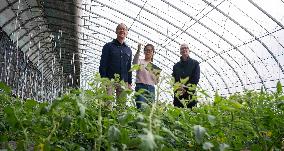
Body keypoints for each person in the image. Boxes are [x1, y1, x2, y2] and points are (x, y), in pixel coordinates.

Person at [99, 23, 132, 100]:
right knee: (107, 103)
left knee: (121, 106)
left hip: (123, 82)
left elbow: (129, 67)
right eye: (120, 29)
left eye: (124, 29)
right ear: (116, 31)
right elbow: (103, 64)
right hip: (110, 80)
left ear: (127, 33)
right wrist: (103, 79)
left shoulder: (128, 50)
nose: (122, 30)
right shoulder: (108, 46)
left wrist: (129, 82)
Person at [133, 43, 161, 109]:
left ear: (153, 53)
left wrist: (156, 76)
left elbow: (156, 82)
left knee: (150, 108)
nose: (148, 52)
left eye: (150, 50)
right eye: (146, 50)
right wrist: (138, 50)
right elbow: (134, 63)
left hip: (151, 88)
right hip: (141, 87)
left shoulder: (154, 67)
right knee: (141, 107)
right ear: (144, 52)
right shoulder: (140, 61)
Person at [172, 43, 200, 108]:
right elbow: (174, 79)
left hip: (190, 94)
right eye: (182, 48)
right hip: (179, 95)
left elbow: (196, 79)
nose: (184, 49)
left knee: (191, 114)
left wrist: (185, 87)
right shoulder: (176, 66)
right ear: (180, 52)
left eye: (186, 48)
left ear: (189, 51)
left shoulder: (195, 63)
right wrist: (178, 86)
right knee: (178, 114)